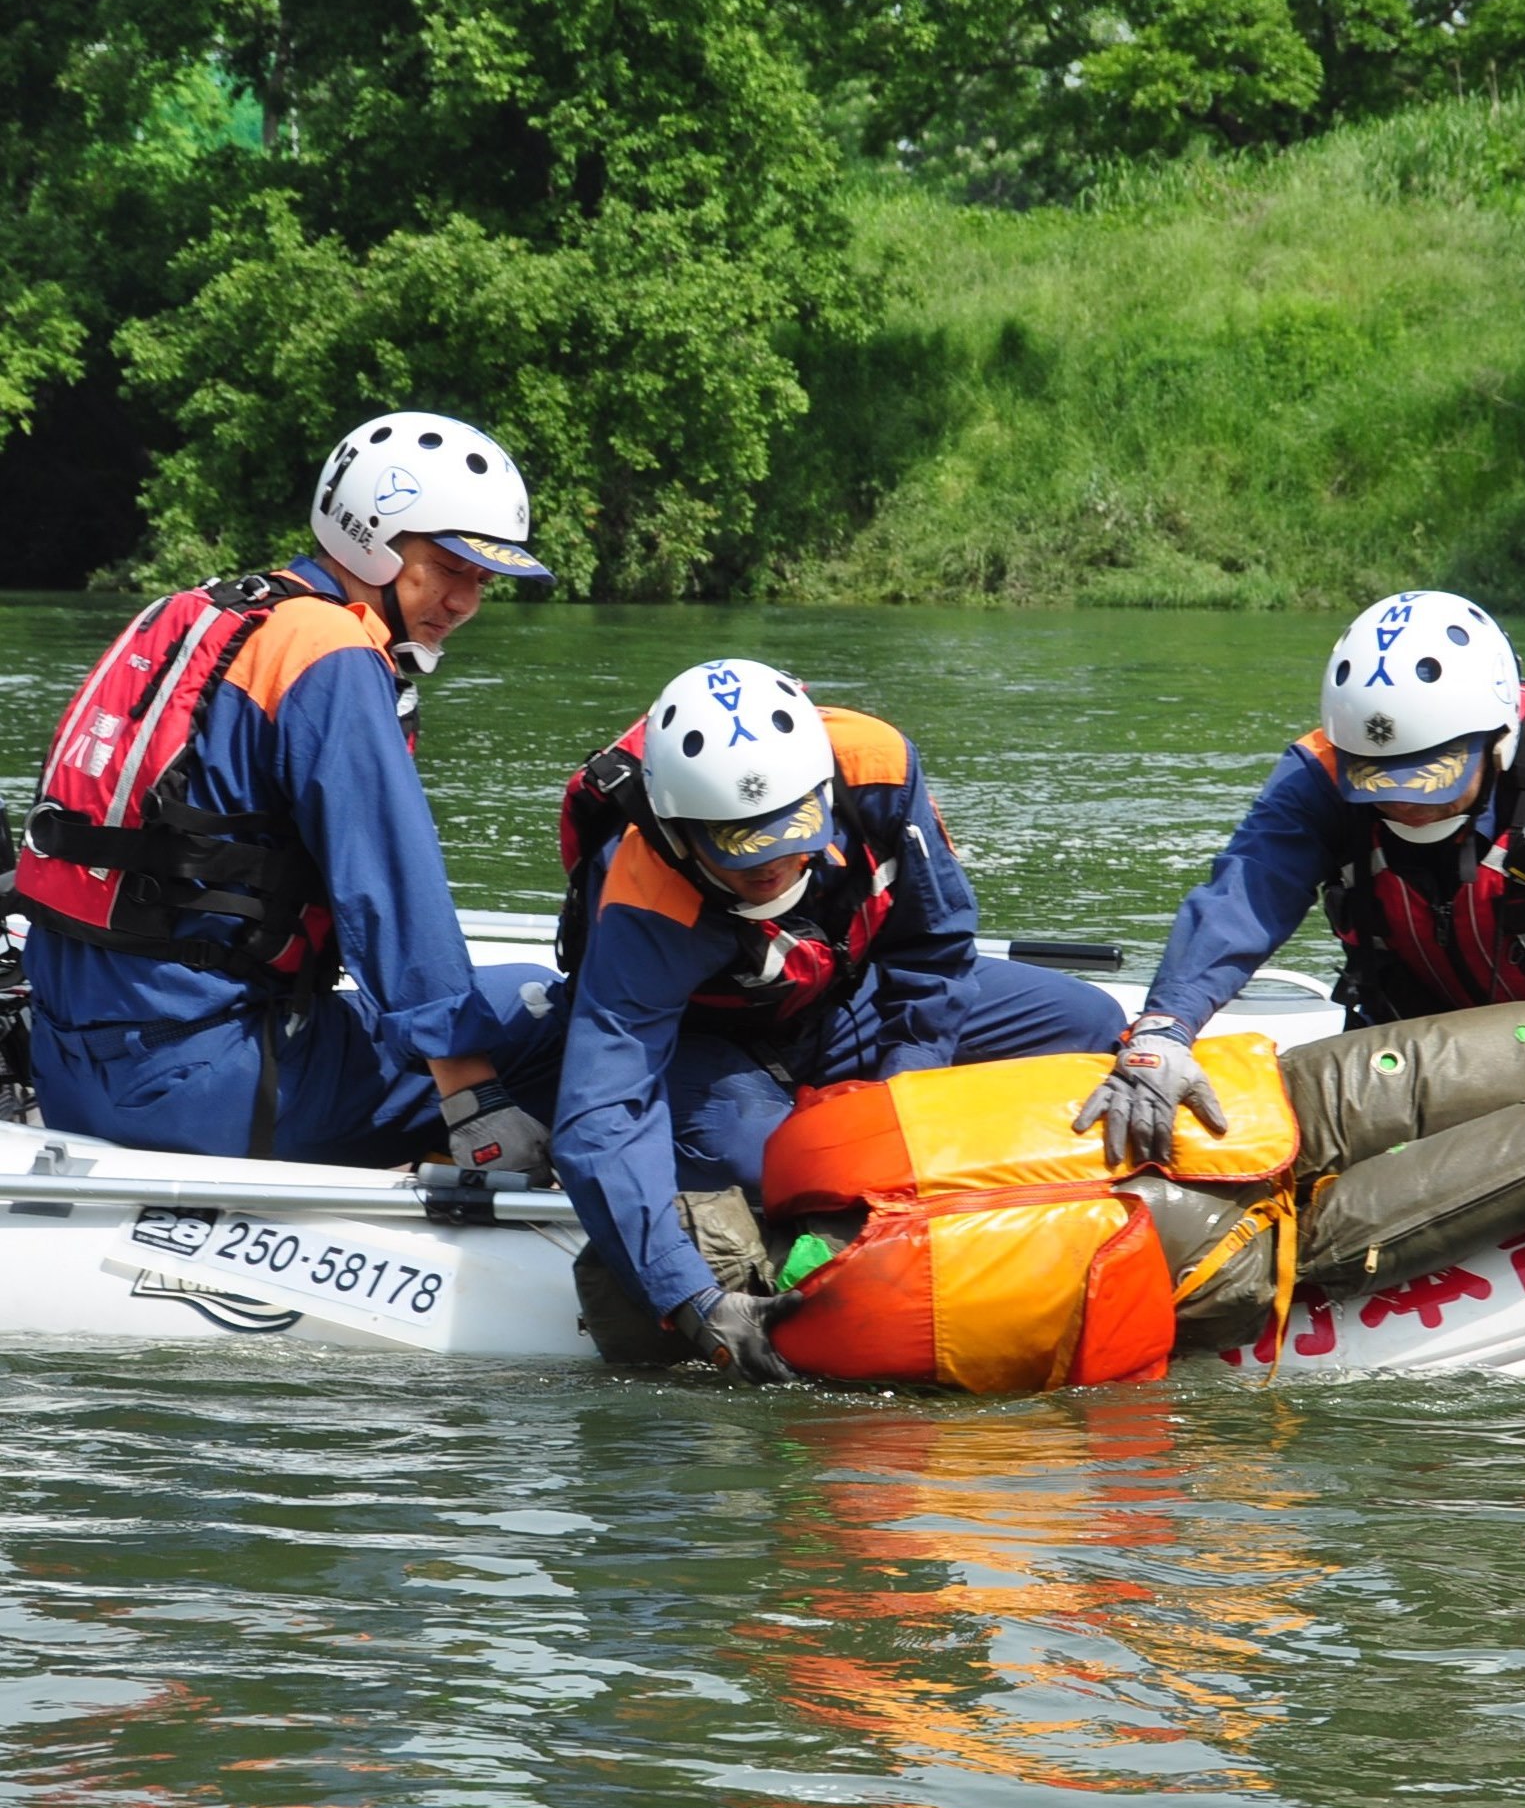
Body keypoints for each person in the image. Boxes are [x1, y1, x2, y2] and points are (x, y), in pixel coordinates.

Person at [1075, 589, 1525, 1236]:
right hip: (1414, 1036)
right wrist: (1164, 1028)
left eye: (1432, 777)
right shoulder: (1320, 774)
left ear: (1499, 738)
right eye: (1379, 782)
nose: (1405, 805)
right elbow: (1244, 892)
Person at [17, 411, 565, 1176]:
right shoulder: (330, 651)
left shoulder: (189, 613)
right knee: (547, 1006)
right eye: (449, 568)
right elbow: (390, 893)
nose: (466, 601)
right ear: (373, 538)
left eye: (482, 579)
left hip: (71, 1069)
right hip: (204, 1086)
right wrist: (472, 1095)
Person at [553, 657, 1125, 1380]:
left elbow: (934, 949)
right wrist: (691, 1299)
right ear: (679, 831)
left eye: (790, 833)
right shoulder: (640, 887)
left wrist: (898, 1108)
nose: (773, 867)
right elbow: (605, 1108)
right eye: (739, 848)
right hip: (712, 1044)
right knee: (771, 1165)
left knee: (1088, 1022)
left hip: (844, 998)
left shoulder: (876, 769)